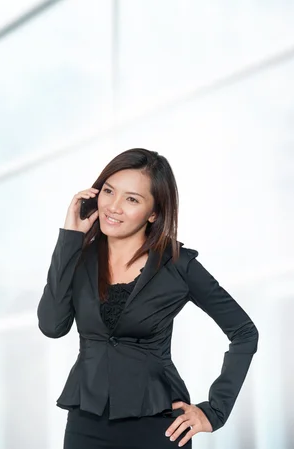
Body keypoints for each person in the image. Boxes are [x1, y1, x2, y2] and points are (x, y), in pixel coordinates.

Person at [37, 148, 259, 448]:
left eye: (132, 199)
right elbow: (52, 326)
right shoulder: (79, 258)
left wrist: (215, 411)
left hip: (157, 426)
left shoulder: (178, 265)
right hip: (85, 424)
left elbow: (244, 332)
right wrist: (69, 237)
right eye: (108, 191)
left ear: (153, 212)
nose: (113, 207)